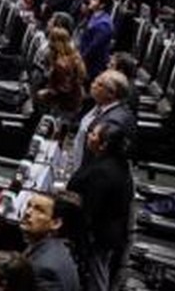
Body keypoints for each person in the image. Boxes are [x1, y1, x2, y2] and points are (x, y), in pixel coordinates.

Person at [66, 123, 133, 291]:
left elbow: (90, 210)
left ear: (103, 145)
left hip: (98, 237)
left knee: (98, 277)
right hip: (108, 231)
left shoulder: (103, 172)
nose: (89, 136)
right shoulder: (119, 163)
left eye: (93, 134)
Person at [70, 71, 134, 173]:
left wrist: (100, 135)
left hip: (95, 178)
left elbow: (113, 129)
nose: (93, 85)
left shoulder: (117, 117)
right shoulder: (100, 106)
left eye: (99, 85)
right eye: (94, 81)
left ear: (111, 93)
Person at [20, 193, 81, 291]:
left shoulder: (45, 269)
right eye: (29, 206)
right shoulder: (53, 248)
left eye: (39, 210)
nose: (27, 212)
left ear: (56, 223)